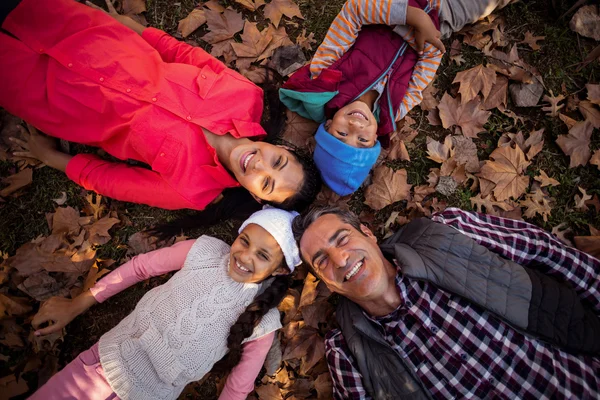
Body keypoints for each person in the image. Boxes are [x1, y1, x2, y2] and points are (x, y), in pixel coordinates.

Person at [0, 0, 321, 213]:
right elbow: (179, 53)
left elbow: (111, 181)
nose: (260, 166)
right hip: (86, 32)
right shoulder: (245, 95)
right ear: (280, 147)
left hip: (47, 96)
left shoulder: (191, 191)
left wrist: (48, 156)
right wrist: (126, 24)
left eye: (266, 184)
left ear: (255, 196)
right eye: (277, 161)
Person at [293, 206, 600, 399]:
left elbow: (545, 253)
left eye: (343, 239)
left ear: (369, 234)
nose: (341, 259)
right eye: (322, 261)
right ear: (327, 285)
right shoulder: (346, 353)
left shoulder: (446, 232)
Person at [29, 207, 302, 400]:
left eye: (263, 255)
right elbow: (140, 268)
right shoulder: (205, 251)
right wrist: (80, 303)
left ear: (279, 270)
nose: (245, 256)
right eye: (244, 240)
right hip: (99, 367)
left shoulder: (262, 322)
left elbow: (237, 388)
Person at [279, 0, 514, 196]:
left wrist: (410, 16)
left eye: (341, 134)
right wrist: (429, 36)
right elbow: (425, 71)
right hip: (444, 16)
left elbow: (353, 11)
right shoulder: (395, 110)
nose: (355, 126)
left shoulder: (326, 76)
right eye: (362, 140)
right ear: (375, 140)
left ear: (328, 125)